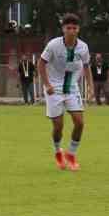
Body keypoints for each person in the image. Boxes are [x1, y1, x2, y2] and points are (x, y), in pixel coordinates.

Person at [37, 13, 90, 170]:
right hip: (54, 88)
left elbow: (86, 67)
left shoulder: (83, 47)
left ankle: (71, 155)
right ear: (63, 29)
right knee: (58, 126)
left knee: (79, 123)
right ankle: (58, 151)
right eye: (68, 28)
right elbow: (41, 64)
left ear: (78, 29)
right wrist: (47, 85)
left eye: (74, 28)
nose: (72, 31)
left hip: (72, 88)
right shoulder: (53, 45)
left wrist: (90, 87)